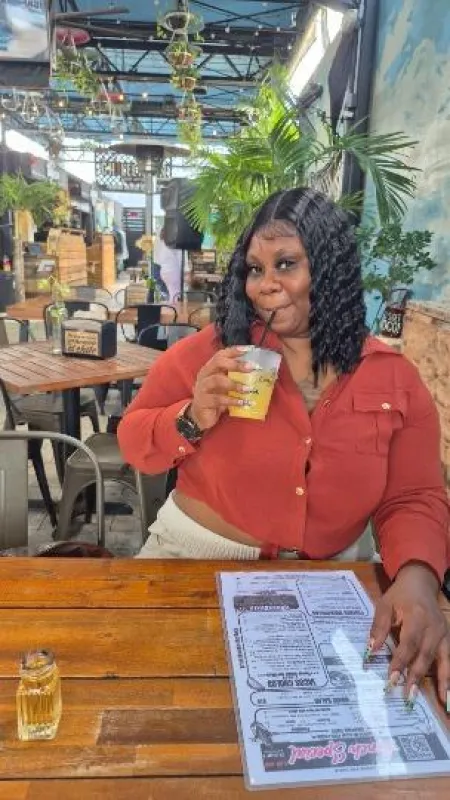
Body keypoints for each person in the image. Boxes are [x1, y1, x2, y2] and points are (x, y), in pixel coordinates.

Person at [118, 188, 450, 708]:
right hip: (194, 560)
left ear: (331, 269)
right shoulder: (214, 353)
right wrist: (190, 416)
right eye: (255, 269)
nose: (265, 285)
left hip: (333, 580)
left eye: (286, 264)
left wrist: (417, 575)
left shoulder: (393, 378)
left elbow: (414, 496)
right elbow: (135, 443)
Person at [153, 229, 183, 302]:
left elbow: (157, 259)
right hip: (173, 270)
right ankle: (173, 308)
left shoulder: (163, 243)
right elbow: (180, 259)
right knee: (175, 294)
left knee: (171, 293)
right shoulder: (175, 243)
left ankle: (170, 306)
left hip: (164, 270)